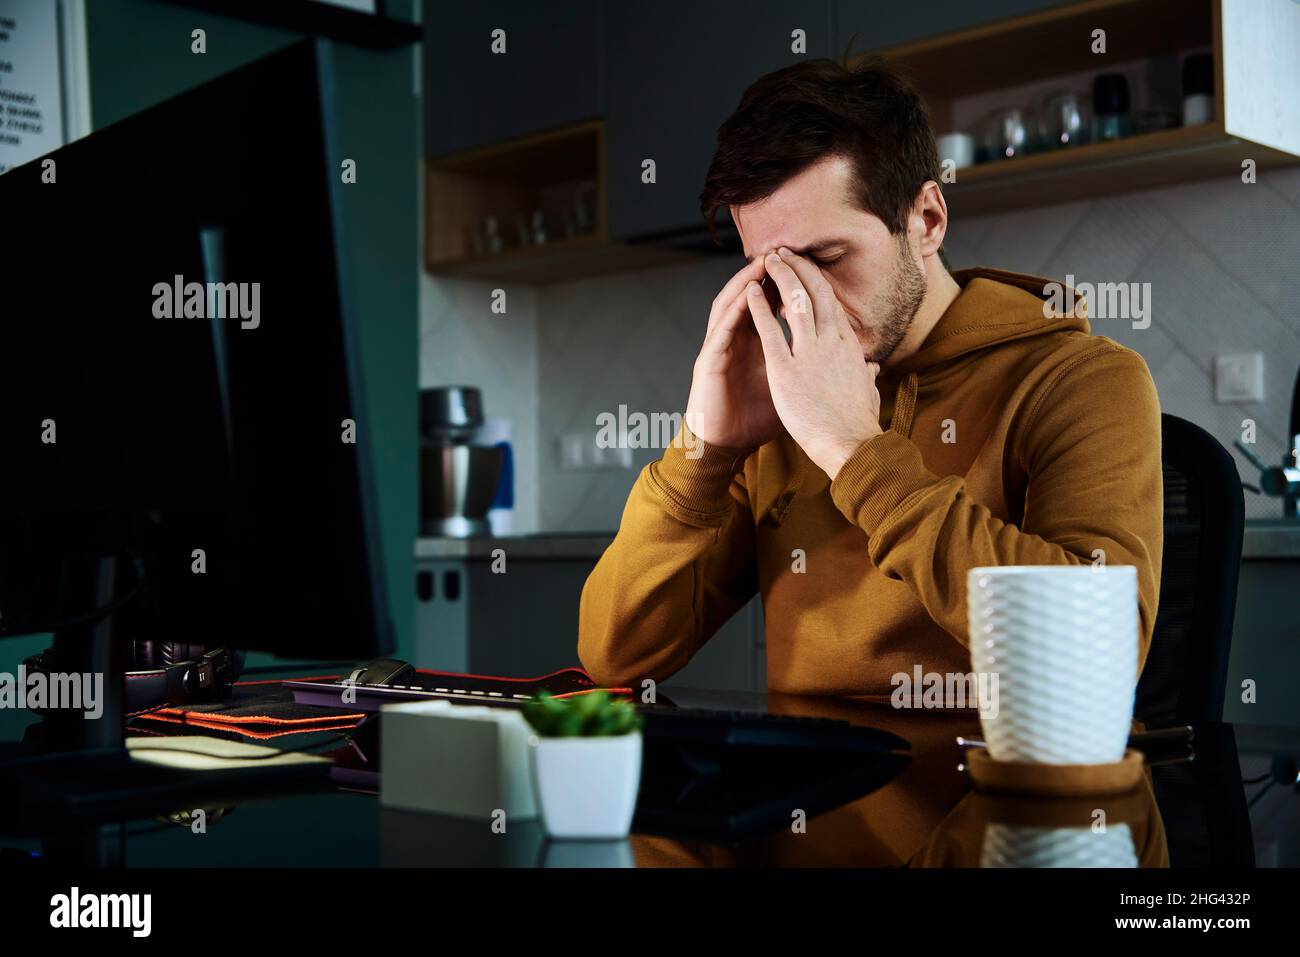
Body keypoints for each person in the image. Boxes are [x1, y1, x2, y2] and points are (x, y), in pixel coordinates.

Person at [578, 58, 1163, 697]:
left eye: (828, 258)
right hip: (807, 794)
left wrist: (857, 454)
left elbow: (1099, 658)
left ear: (928, 220)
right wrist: (704, 454)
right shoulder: (778, 403)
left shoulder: (1082, 379)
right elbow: (618, 660)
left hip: (1001, 792)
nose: (802, 300)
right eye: (771, 271)